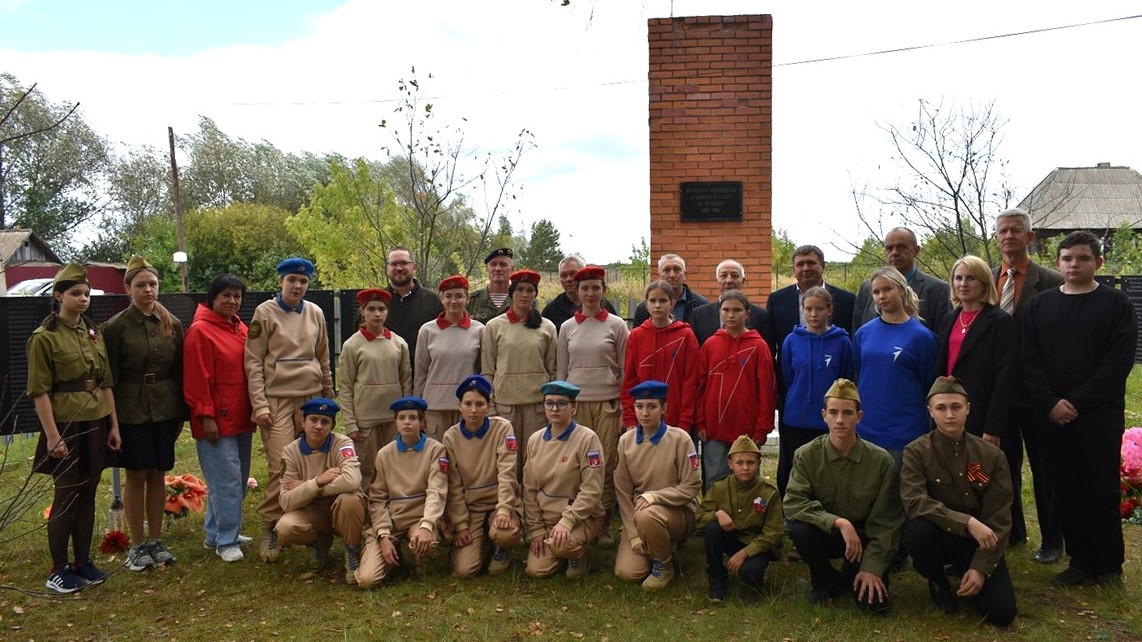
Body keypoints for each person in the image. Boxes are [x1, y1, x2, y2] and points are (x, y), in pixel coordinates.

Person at [1023, 230, 1137, 588]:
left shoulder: (1116, 304)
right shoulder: (1041, 305)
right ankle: (1081, 562)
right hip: (1052, 415)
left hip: (1098, 415)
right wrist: (1050, 402)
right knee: (1066, 486)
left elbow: (1118, 361)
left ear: (1098, 262)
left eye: (1083, 258)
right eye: (1068, 258)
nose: (1075, 264)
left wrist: (1077, 402)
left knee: (1100, 488)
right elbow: (1029, 359)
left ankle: (1108, 565)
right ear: (1058, 263)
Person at [27, 263, 122, 593]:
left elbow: (105, 383)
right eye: (76, 294)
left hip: (96, 419)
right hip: (65, 423)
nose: (83, 299)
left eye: (86, 294)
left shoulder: (93, 333)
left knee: (88, 491)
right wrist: (53, 436)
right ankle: (59, 568)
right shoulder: (44, 338)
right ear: (58, 296)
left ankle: (83, 561)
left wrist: (113, 426)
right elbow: (39, 391)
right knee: (66, 494)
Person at [901, 377, 1017, 626]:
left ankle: (968, 571)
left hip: (978, 542)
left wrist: (980, 568)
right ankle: (937, 579)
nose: (949, 415)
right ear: (930, 411)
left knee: (1001, 612)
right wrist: (967, 522)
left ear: (968, 408)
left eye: (956, 407)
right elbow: (914, 501)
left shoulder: (991, 455)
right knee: (917, 530)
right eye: (941, 408)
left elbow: (999, 517)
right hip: (938, 535)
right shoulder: (916, 452)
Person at [785, 378, 904, 614]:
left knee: (874, 608)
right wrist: (839, 523)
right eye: (833, 412)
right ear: (824, 415)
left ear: (859, 417)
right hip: (827, 533)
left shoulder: (880, 461)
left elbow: (887, 522)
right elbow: (794, 503)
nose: (840, 420)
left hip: (865, 538)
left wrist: (872, 568)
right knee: (799, 529)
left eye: (848, 413)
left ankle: (854, 571)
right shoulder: (806, 456)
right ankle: (823, 579)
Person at [245, 257, 334, 562]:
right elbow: (253, 362)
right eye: (292, 280)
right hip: (278, 400)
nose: (297, 286)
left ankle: (311, 527)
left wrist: (328, 394)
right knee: (280, 465)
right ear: (280, 282)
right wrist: (260, 404)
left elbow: (323, 357)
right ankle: (271, 525)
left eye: (303, 281)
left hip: (311, 398)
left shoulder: (315, 312)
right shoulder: (264, 313)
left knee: (314, 464)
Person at [102, 255, 185, 571]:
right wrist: (111, 421)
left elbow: (179, 370)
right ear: (128, 289)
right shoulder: (115, 328)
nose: (148, 290)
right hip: (131, 409)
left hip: (165, 407)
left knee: (158, 473)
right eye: (140, 285)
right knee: (136, 474)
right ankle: (137, 545)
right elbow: (108, 377)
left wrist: (181, 413)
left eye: (152, 284)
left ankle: (156, 540)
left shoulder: (171, 323)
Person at [992, 207, 1064, 559]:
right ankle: (1014, 532)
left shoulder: (1051, 281)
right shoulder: (985, 278)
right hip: (998, 393)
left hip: (1036, 393)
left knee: (1044, 468)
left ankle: (1052, 540)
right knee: (1003, 468)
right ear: (996, 238)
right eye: (1003, 231)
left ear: (1030, 236)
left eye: (1016, 230)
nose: (1009, 236)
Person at [184, 274, 257, 563]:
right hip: (216, 421)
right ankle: (227, 541)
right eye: (226, 295)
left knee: (236, 479)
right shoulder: (200, 331)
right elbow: (196, 378)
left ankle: (215, 533)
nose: (232, 301)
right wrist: (206, 416)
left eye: (237, 296)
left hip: (241, 416)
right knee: (225, 482)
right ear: (212, 298)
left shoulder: (240, 328)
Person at [556, 264, 629, 544]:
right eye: (584, 288)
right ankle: (582, 518)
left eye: (595, 287)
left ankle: (604, 521)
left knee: (605, 464)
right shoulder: (567, 328)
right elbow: (562, 371)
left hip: (607, 405)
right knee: (579, 464)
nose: (590, 293)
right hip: (576, 407)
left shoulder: (617, 325)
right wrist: (562, 407)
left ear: (603, 290)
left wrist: (623, 407)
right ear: (577, 292)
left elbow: (624, 370)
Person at [613, 381, 701, 590]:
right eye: (639, 406)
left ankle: (664, 565)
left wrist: (655, 497)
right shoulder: (625, 441)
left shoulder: (680, 439)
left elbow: (691, 485)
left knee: (648, 516)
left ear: (664, 408)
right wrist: (634, 536)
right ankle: (659, 545)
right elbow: (623, 492)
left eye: (651, 406)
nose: (644, 413)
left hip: (678, 511)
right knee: (627, 573)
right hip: (639, 514)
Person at [356, 396, 449, 588]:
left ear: (422, 422)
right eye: (402, 418)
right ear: (395, 422)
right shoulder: (384, 454)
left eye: (413, 418)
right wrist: (383, 535)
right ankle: (390, 553)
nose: (407, 422)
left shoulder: (436, 450)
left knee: (425, 543)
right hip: (393, 519)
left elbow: (436, 491)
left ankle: (423, 560)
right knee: (367, 580)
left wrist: (427, 525)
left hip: (420, 517)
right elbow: (378, 499)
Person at [852, 267, 938, 466]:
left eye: (887, 289)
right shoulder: (863, 333)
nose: (882, 296)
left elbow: (929, 384)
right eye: (876, 292)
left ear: (902, 290)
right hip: (866, 430)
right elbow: (858, 374)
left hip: (905, 434)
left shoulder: (922, 337)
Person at [276, 397, 366, 585]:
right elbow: (286, 501)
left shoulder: (342, 443)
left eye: (325, 421)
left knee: (350, 499)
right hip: (312, 511)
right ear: (303, 422)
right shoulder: (290, 452)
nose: (318, 426)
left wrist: (310, 486)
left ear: (332, 426)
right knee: (285, 527)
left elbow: (352, 481)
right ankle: (320, 543)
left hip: (340, 507)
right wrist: (317, 481)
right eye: (313, 420)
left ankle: (351, 550)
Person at [776, 286, 855, 496]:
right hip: (797, 418)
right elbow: (788, 377)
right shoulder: (791, 341)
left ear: (829, 310)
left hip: (828, 420)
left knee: (827, 472)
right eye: (808, 309)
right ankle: (792, 510)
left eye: (819, 309)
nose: (813, 314)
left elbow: (846, 380)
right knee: (796, 469)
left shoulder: (842, 341)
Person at [441, 375, 522, 578]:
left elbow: (507, 473)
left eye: (479, 404)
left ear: (488, 407)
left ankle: (503, 547)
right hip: (472, 509)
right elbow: (454, 485)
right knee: (464, 571)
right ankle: (481, 542)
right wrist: (461, 525)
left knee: (505, 533)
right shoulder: (450, 437)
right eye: (468, 404)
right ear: (459, 406)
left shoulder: (502, 428)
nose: (473, 410)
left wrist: (504, 510)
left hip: (498, 503)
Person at [523, 381, 605, 579]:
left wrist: (568, 522)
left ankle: (578, 553)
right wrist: (536, 528)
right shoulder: (535, 440)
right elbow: (529, 488)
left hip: (579, 517)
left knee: (562, 546)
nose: (554, 409)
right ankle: (559, 547)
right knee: (535, 570)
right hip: (547, 518)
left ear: (573, 407)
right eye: (549, 403)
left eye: (562, 403)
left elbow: (592, 490)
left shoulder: (587, 439)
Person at [481, 269, 557, 478]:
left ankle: (531, 496)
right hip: (505, 407)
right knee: (507, 459)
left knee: (535, 458)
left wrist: (551, 404)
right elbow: (487, 371)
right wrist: (491, 406)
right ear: (511, 293)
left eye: (530, 290)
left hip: (536, 407)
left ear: (535, 294)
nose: (525, 294)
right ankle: (508, 496)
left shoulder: (547, 327)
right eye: (520, 289)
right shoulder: (494, 326)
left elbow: (552, 371)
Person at [696, 290, 776, 490]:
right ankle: (714, 511)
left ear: (747, 314)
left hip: (747, 429)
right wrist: (700, 421)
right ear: (720, 312)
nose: (731, 315)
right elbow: (699, 386)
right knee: (715, 480)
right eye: (726, 310)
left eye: (737, 310)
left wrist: (762, 427)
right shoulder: (710, 345)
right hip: (714, 427)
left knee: (747, 479)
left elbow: (766, 389)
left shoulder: (758, 346)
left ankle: (750, 511)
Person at [934, 256, 1014, 444]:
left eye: (971, 278)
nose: (963, 284)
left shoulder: (1000, 321)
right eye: (958, 278)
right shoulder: (948, 319)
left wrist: (993, 426)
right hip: (949, 409)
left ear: (984, 284)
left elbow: (1005, 377)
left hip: (982, 412)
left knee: (977, 464)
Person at [338, 288, 411, 489]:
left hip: (392, 419)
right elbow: (345, 387)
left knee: (393, 465)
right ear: (363, 311)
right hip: (365, 420)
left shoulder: (398, 343)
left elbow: (406, 382)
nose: (377, 314)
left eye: (381, 309)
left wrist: (406, 415)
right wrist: (350, 424)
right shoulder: (352, 345)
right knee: (367, 469)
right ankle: (366, 505)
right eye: (371, 309)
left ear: (387, 312)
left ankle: (392, 503)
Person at [697, 434, 784, 603]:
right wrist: (717, 514)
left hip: (757, 544)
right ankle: (717, 578)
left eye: (750, 463)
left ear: (758, 464)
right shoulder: (719, 488)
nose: (745, 468)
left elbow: (774, 532)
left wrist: (745, 553)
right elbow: (699, 518)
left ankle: (754, 577)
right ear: (730, 464)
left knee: (750, 573)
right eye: (739, 463)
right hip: (733, 537)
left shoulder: (768, 493)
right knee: (713, 528)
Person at [621, 279, 700, 436]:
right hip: (643, 419)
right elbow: (630, 379)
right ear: (646, 304)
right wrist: (630, 419)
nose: (657, 305)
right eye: (653, 301)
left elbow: (690, 381)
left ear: (672, 303)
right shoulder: (636, 336)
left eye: (663, 301)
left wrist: (685, 421)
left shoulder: (686, 335)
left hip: (676, 419)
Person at [414, 275, 484, 439]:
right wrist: (418, 407)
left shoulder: (479, 330)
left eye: (459, 296)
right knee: (437, 452)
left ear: (467, 299)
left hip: (468, 407)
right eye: (448, 296)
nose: (453, 301)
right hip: (434, 407)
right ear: (442, 299)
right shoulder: (427, 330)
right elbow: (420, 374)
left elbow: (483, 371)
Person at [853, 227, 951, 333]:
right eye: (889, 248)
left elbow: (944, 335)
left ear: (916, 251)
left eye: (901, 247)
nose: (894, 253)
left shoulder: (938, 290)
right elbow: (856, 333)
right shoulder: (866, 289)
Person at [767, 245, 856, 350]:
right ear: (793, 269)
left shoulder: (847, 301)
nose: (805, 268)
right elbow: (770, 343)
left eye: (811, 263)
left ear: (823, 266)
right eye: (800, 264)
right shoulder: (776, 300)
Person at [688, 259, 772, 349]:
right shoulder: (699, 315)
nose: (729, 280)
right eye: (723, 276)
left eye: (734, 276)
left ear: (743, 281)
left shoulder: (761, 315)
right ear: (717, 281)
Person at [383, 246, 443, 370]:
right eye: (393, 264)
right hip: (384, 374)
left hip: (424, 375)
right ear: (387, 268)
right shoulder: (376, 303)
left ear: (414, 268)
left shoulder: (434, 301)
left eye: (404, 263)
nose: (399, 268)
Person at [541, 254, 617, 331]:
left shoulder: (604, 306)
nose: (568, 279)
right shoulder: (551, 311)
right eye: (563, 275)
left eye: (573, 274)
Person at [632, 253, 709, 326]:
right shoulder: (643, 309)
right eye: (666, 270)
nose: (672, 275)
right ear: (659, 275)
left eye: (677, 269)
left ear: (685, 274)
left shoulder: (701, 305)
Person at [468, 247, 514, 324]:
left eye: (503, 265)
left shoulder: (522, 300)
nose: (498, 269)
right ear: (487, 269)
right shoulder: (471, 300)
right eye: (493, 264)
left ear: (512, 269)